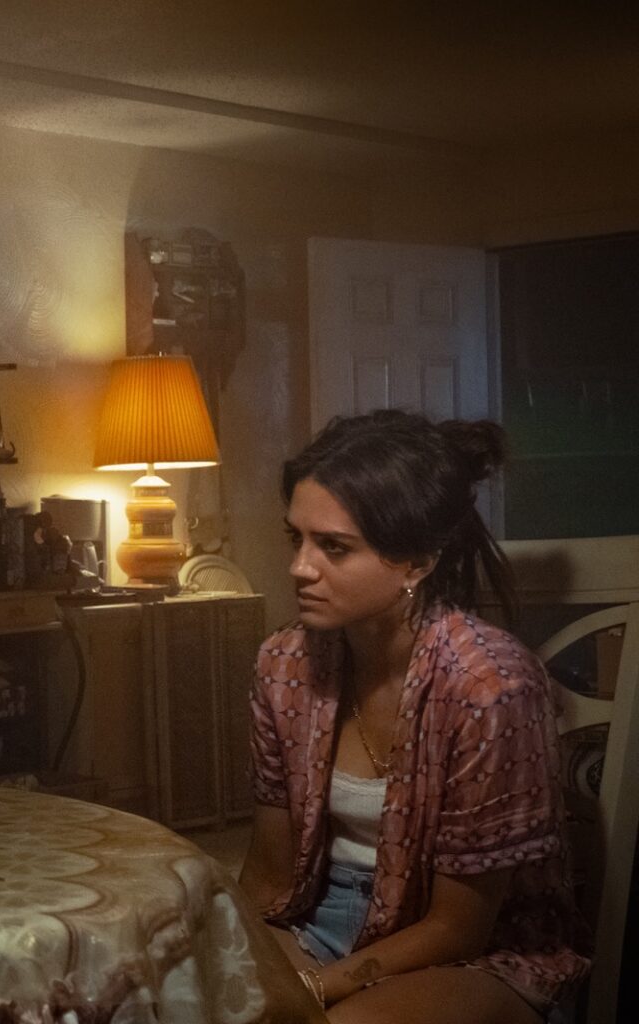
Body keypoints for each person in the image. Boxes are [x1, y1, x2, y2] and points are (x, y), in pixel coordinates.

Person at [239, 410, 588, 1023]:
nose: (300, 567)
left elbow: (460, 928)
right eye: (297, 538)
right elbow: (267, 880)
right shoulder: (285, 664)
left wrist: (314, 990)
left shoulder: (490, 688)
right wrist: (237, 968)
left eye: (334, 547)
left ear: (418, 563)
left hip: (471, 954)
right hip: (314, 917)